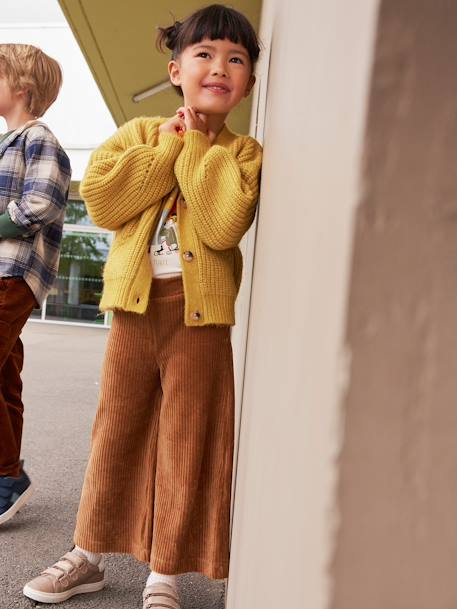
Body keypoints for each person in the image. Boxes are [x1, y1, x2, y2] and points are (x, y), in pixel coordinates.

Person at [23, 5, 262, 608]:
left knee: (186, 438)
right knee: (116, 431)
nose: (220, 67)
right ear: (176, 69)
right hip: (133, 307)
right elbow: (104, 200)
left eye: (236, 59)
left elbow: (220, 224)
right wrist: (168, 145)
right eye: (204, 55)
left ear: (250, 83)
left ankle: (164, 573)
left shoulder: (243, 154)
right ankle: (86, 555)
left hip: (200, 315)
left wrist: (199, 148)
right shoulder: (138, 135)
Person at [0, 45, 71, 526]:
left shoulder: (38, 138)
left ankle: (7, 476)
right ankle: (8, 477)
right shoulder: (9, 141)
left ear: (21, 89)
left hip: (12, 273)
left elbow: (42, 203)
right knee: (5, 378)